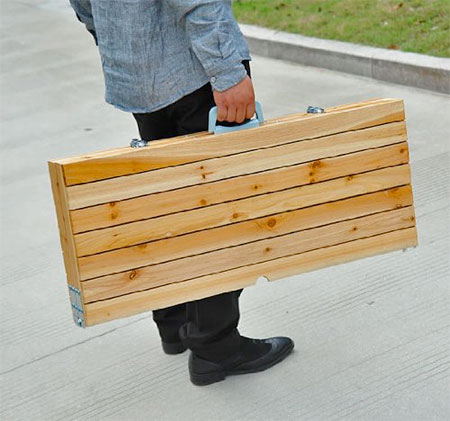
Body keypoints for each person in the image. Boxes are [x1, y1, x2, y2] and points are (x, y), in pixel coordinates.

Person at [69, 0, 294, 386]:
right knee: (220, 212)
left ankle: (174, 325)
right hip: (192, 72)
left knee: (171, 207)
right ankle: (216, 347)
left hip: (140, 76)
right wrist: (228, 73)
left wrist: (119, 42)